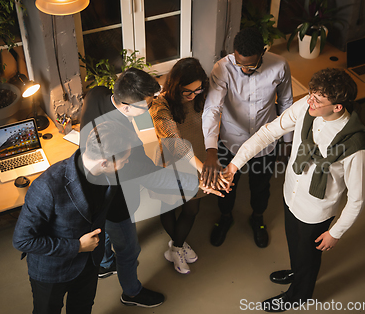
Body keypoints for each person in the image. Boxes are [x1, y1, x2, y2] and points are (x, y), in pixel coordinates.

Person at [224, 68, 365, 312]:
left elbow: (357, 198)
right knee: (295, 243)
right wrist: (234, 165)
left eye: (318, 99)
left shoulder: (356, 148)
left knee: (309, 255)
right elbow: (269, 132)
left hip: (316, 210)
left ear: (337, 107)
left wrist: (336, 232)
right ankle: (297, 271)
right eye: (311, 94)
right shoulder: (308, 106)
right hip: (291, 193)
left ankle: (299, 295)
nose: (309, 101)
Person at [79, 67, 210, 307]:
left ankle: (106, 264)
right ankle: (131, 293)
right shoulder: (125, 141)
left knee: (103, 232)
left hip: (91, 191)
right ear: (128, 106)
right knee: (129, 251)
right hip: (117, 202)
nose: (149, 109)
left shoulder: (96, 94)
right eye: (146, 105)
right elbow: (152, 176)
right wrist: (198, 183)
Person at [12, 121, 134, 314]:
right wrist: (77, 246)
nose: (127, 162)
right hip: (52, 269)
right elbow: (23, 241)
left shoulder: (110, 174)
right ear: (104, 162)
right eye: (124, 159)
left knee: (82, 309)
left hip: (90, 262)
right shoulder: (47, 187)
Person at [202, 27, 293, 248]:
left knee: (261, 187)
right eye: (239, 63)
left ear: (262, 52)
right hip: (230, 140)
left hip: (266, 142)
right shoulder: (222, 68)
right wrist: (211, 150)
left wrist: (287, 143)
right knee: (225, 187)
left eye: (250, 65)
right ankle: (225, 218)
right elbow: (212, 109)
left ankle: (258, 218)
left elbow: (286, 104)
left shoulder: (279, 66)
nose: (243, 69)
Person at [149, 57, 225, 274]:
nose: (193, 96)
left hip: (200, 157)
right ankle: (177, 246)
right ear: (175, 86)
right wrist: (205, 168)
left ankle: (176, 246)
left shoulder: (202, 96)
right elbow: (176, 142)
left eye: (197, 90)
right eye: (187, 92)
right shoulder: (160, 105)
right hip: (172, 163)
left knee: (192, 208)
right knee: (169, 206)